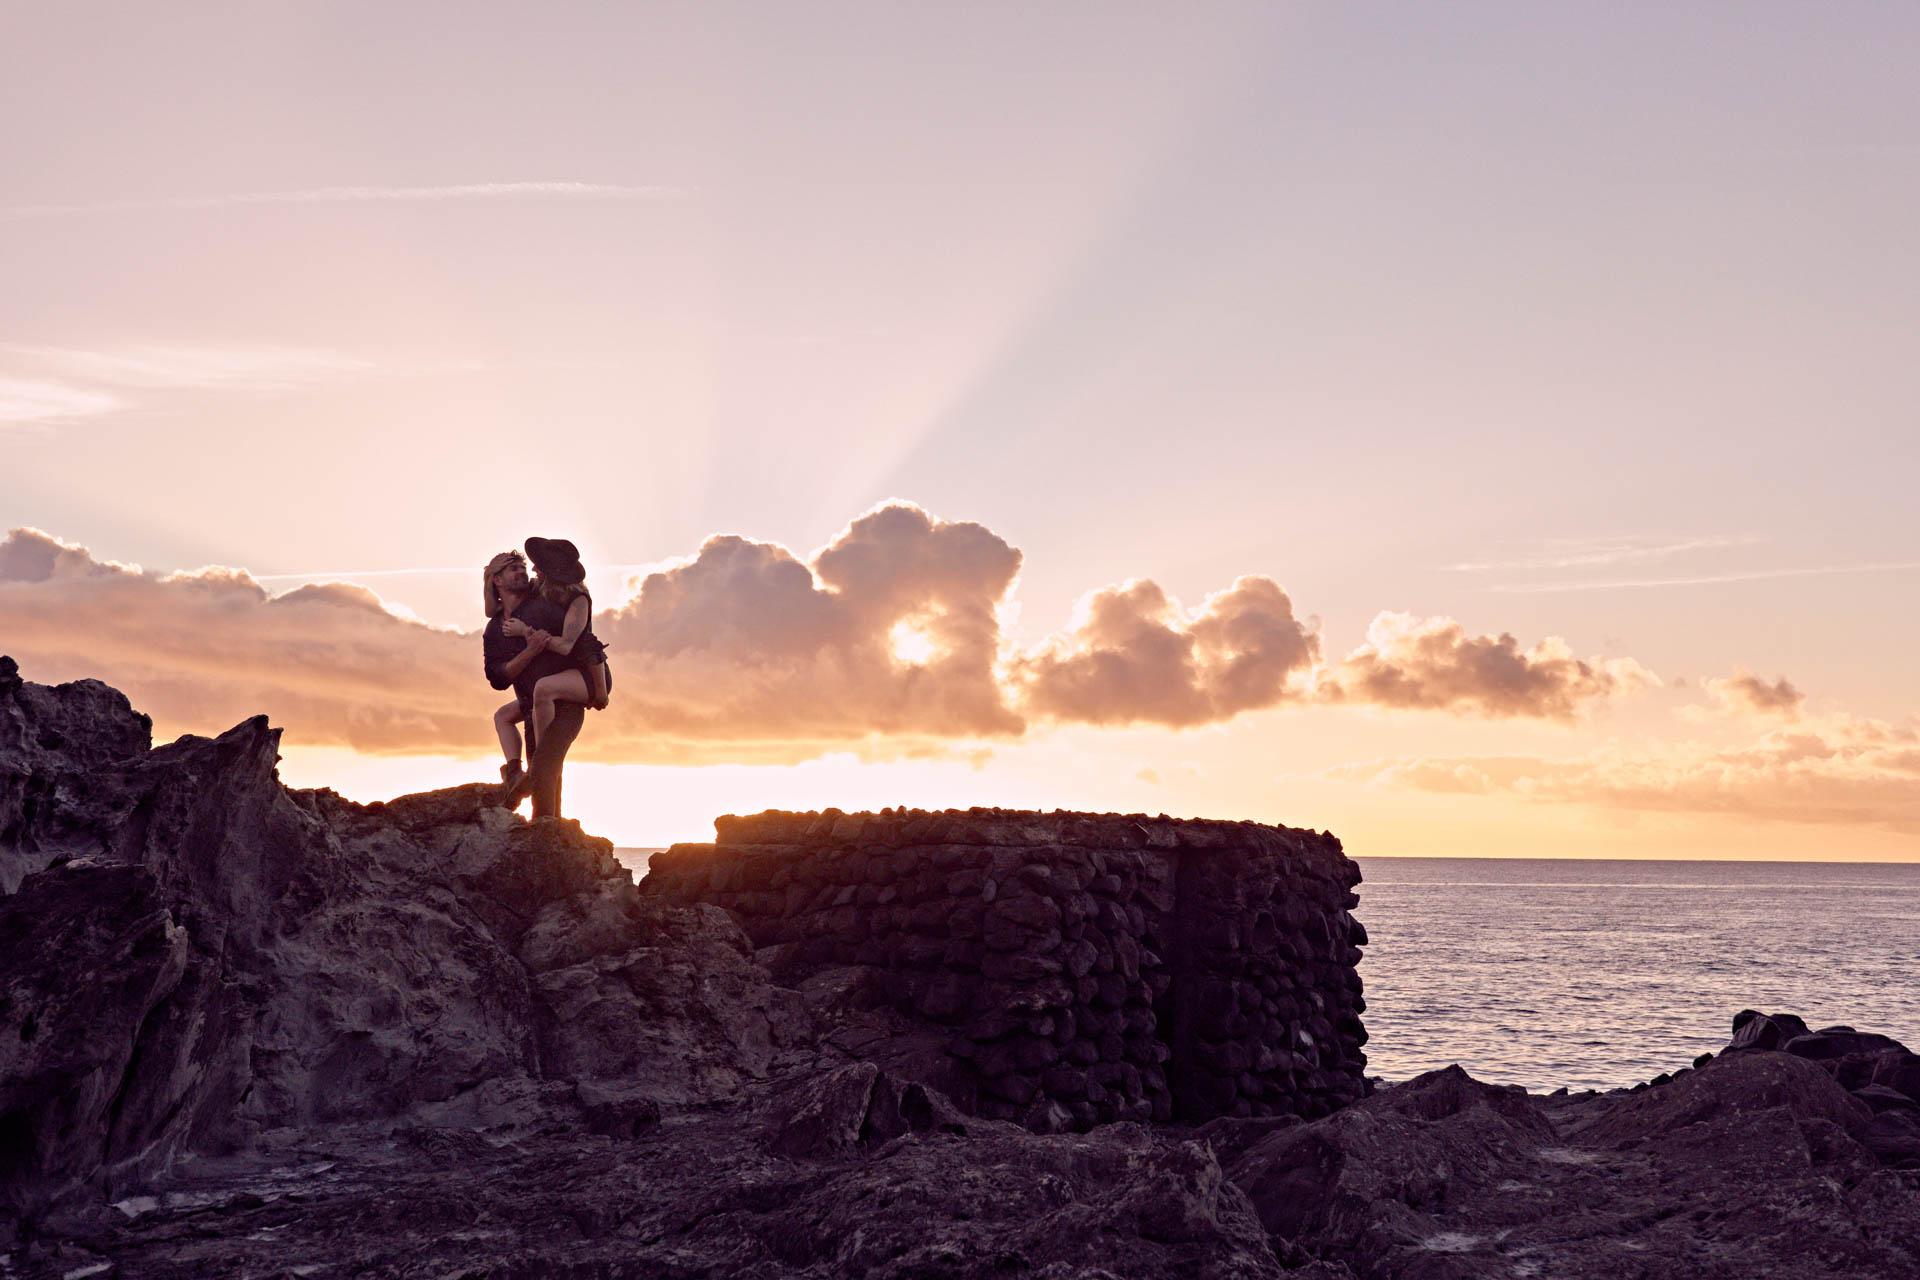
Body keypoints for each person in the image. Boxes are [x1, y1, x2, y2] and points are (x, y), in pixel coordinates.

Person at [481, 543, 602, 818]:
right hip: (531, 704)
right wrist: (530, 650)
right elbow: (497, 678)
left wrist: (599, 689)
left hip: (565, 702)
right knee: (541, 767)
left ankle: (546, 828)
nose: (523, 572)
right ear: (497, 580)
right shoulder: (494, 629)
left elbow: (583, 641)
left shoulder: (547, 604)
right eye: (513, 569)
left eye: (523, 567)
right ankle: (519, 782)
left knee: (544, 766)